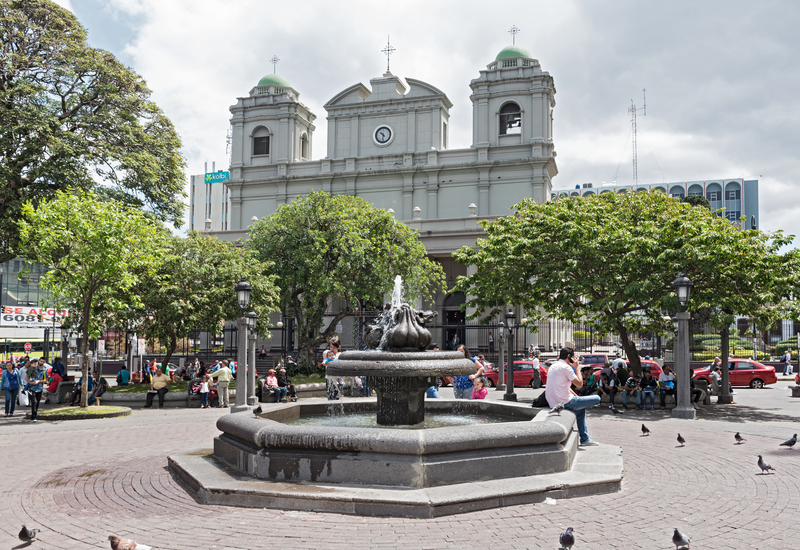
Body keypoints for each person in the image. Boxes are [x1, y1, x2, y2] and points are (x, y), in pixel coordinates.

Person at [544, 347, 601, 446]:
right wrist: (577, 367)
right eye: (573, 357)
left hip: (553, 402)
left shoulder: (554, 366)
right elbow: (579, 384)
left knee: (581, 410)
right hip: (565, 402)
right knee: (597, 399)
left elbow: (565, 387)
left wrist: (576, 397)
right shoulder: (566, 368)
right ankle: (584, 439)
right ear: (568, 356)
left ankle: (585, 439)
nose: (574, 360)